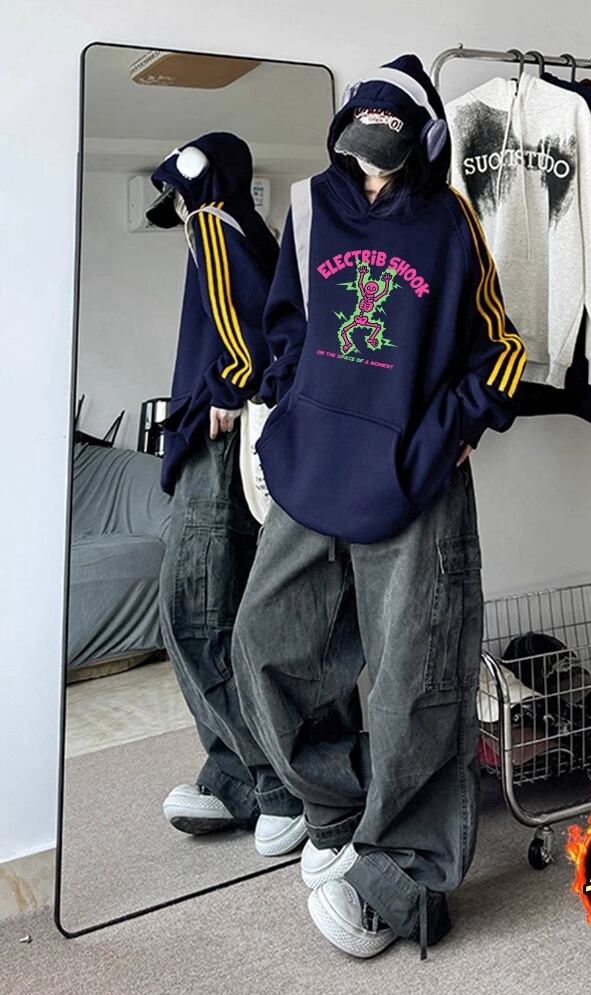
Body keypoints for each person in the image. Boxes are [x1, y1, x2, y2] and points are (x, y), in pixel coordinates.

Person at [232, 55, 527, 956]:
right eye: (359, 155)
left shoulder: (451, 218)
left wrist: (455, 429)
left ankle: (403, 884)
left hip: (415, 474)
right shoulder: (310, 206)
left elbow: (503, 348)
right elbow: (286, 326)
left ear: (423, 146)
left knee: (417, 683)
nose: (370, 174)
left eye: (387, 159)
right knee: (266, 643)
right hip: (316, 464)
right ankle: (344, 807)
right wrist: (294, 405)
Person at [147, 133, 305, 856]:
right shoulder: (250, 226)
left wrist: (227, 382)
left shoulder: (212, 222)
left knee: (196, 617)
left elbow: (248, 323)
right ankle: (236, 776)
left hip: (214, 442)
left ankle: (275, 787)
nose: (177, 209)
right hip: (225, 443)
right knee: (223, 613)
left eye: (177, 194)